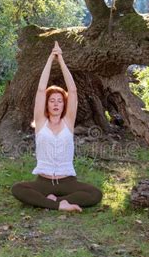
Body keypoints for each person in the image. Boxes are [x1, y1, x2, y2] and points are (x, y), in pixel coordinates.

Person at [11, 41, 103, 212]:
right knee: (17, 189)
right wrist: (49, 59)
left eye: (60, 101)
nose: (56, 104)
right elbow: (40, 90)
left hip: (67, 181)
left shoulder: (68, 122)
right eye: (52, 100)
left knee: (95, 193)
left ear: (64, 105)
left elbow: (73, 91)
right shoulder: (40, 123)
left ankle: (55, 200)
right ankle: (59, 205)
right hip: (43, 182)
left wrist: (60, 59)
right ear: (47, 104)